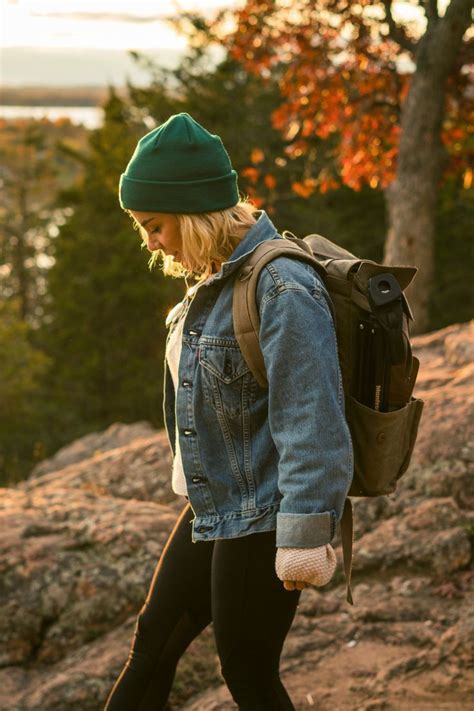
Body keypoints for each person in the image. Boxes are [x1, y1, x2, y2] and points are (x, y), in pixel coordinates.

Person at [104, 113, 353, 710]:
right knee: (151, 651)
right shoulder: (215, 277)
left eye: (154, 225)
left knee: (247, 672)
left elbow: (312, 420)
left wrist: (304, 535)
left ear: (191, 212)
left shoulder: (283, 287)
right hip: (214, 506)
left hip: (267, 515)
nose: (150, 242)